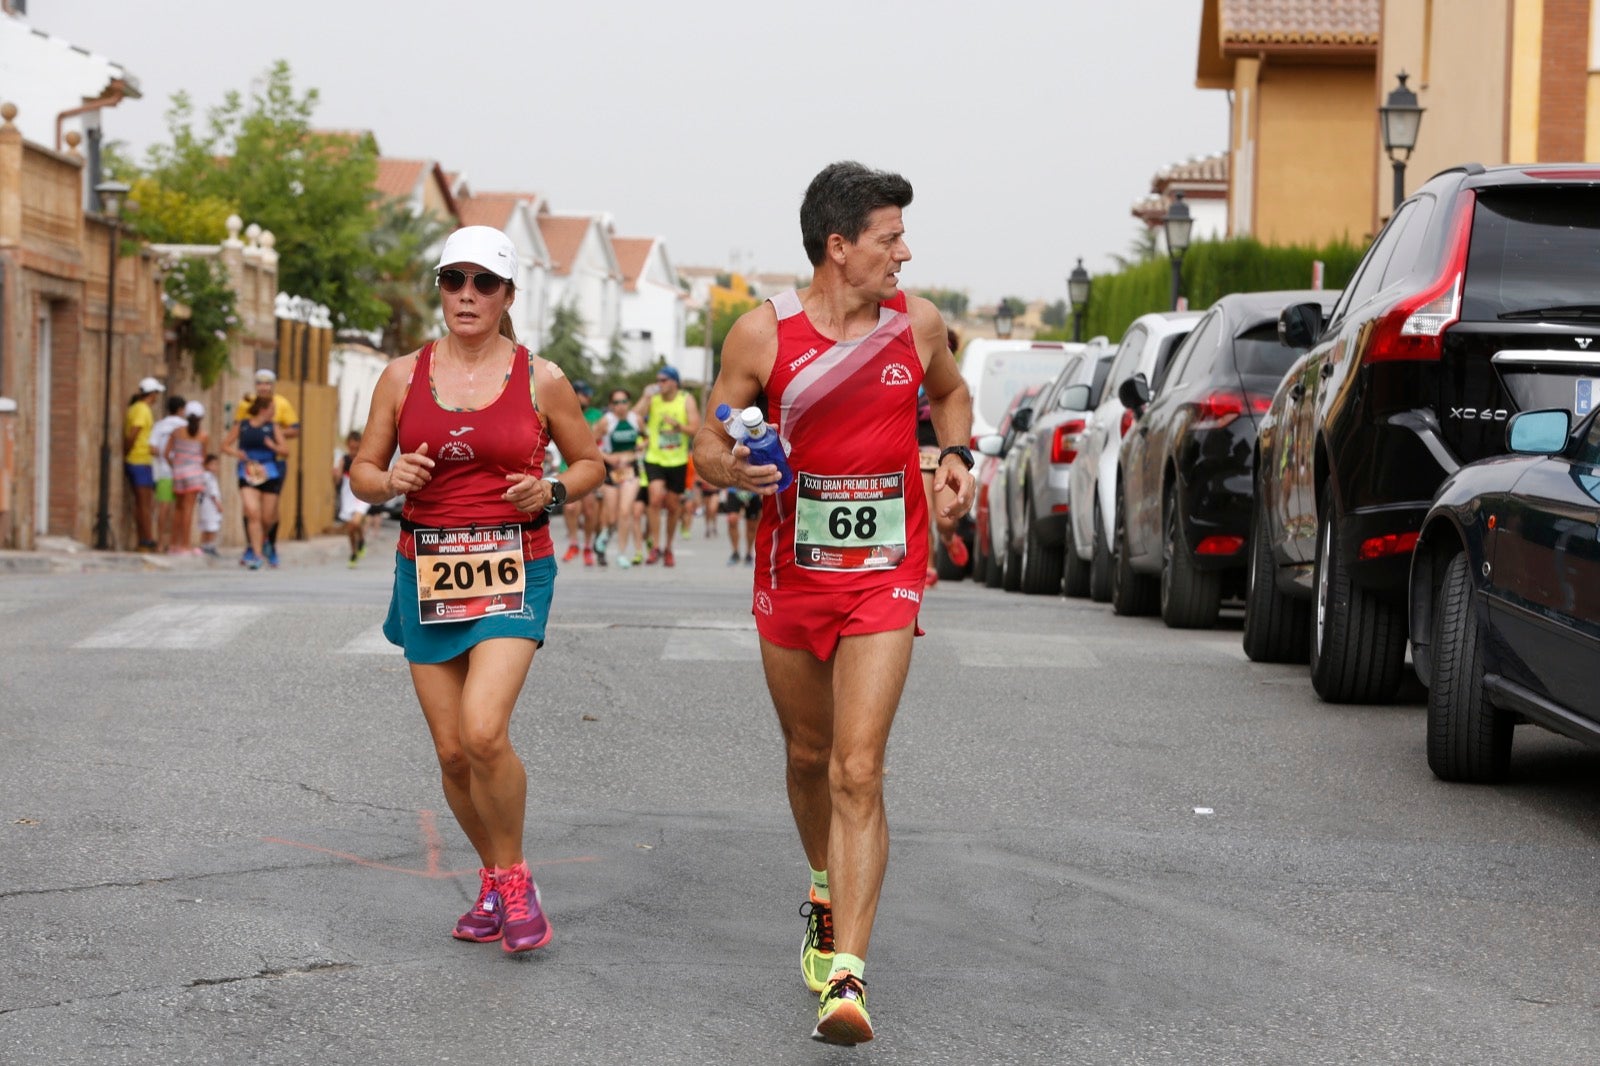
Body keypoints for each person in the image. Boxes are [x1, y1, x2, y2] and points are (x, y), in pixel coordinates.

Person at [692, 161, 975, 1046]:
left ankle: (846, 975)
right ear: (838, 246)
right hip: (792, 568)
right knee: (809, 751)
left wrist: (961, 456)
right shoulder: (761, 337)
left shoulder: (918, 324)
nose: (905, 252)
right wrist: (729, 466)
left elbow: (952, 395)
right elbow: (709, 434)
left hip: (889, 567)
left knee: (859, 765)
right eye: (889, 237)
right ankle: (823, 884)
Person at [347, 225, 605, 955]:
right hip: (426, 570)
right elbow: (363, 470)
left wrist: (550, 489)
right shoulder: (400, 376)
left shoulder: (540, 377)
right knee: (453, 751)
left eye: (483, 283)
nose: (467, 295)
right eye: (454, 281)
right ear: (441, 289)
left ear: (507, 296)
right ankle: (493, 876)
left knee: (485, 730)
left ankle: (516, 880)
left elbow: (590, 465)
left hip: (514, 566)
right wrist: (387, 478)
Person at [631, 366, 699, 567]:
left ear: (674, 382)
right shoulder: (653, 399)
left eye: (663, 380)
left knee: (672, 506)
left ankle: (668, 547)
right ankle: (655, 547)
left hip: (677, 460)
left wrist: (678, 426)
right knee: (654, 497)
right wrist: (645, 397)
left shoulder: (686, 399)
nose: (659, 384)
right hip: (655, 458)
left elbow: (695, 428)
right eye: (658, 380)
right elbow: (634, 417)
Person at [235, 368, 300, 567]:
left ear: (273, 385)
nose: (263, 386)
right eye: (260, 383)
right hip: (252, 462)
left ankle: (269, 543)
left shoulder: (281, 403)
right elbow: (239, 426)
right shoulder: (246, 404)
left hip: (275, 461)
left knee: (270, 510)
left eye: (267, 383)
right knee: (250, 508)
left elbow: (295, 428)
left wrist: (275, 433)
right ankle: (251, 546)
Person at [222, 396, 290, 569]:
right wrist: (237, 454)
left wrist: (273, 446)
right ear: (263, 409)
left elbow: (286, 450)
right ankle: (257, 555)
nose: (274, 412)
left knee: (267, 518)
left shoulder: (273, 427)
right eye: (272, 408)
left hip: (269, 472)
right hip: (248, 472)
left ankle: (263, 541)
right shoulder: (242, 425)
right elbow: (225, 445)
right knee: (253, 512)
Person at [594, 387, 643, 569]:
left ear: (628, 403)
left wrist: (639, 448)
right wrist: (608, 458)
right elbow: (590, 443)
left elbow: (646, 438)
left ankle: (622, 553)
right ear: (611, 405)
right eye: (616, 403)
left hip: (631, 469)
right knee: (612, 517)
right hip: (611, 471)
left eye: (624, 402)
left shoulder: (635, 419)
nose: (620, 406)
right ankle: (605, 534)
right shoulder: (606, 422)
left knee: (625, 511)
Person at [122, 377, 165, 552]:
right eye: (156, 394)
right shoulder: (142, 410)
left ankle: (146, 539)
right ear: (152, 394)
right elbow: (133, 434)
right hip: (139, 460)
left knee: (144, 503)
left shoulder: (136, 408)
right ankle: (146, 540)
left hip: (141, 460)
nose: (157, 398)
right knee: (144, 503)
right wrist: (127, 451)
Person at [164, 400, 209, 555]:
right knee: (188, 510)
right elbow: (203, 457)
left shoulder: (176, 432)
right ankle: (185, 545)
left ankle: (173, 544)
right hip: (194, 474)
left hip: (178, 472)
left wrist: (175, 465)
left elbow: (166, 453)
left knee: (178, 509)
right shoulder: (203, 436)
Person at [149, 394, 188, 552]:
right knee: (181, 508)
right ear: (180, 410)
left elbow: (152, 448)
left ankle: (159, 543)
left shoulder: (159, 425)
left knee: (163, 508)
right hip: (183, 471)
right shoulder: (185, 425)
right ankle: (176, 543)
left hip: (163, 472)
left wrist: (163, 456)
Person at [335, 430, 371, 567]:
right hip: (348, 495)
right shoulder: (343, 460)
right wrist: (336, 475)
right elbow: (337, 478)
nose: (354, 451)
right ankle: (354, 551)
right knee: (351, 528)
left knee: (355, 523)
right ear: (347, 445)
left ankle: (360, 540)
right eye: (351, 448)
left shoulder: (363, 459)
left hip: (361, 495)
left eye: (357, 448)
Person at [197, 454, 223, 557]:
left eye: (217, 464)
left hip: (204, 505)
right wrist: (218, 505)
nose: (215, 467)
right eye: (212, 464)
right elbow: (213, 494)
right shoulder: (209, 477)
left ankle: (204, 545)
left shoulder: (205, 476)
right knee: (212, 526)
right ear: (206, 465)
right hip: (211, 506)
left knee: (206, 526)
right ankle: (209, 546)